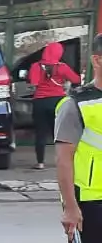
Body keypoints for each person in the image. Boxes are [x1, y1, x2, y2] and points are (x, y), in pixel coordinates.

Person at [54, 32, 102, 243]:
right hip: (86, 198)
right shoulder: (76, 103)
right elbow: (63, 158)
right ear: (98, 59)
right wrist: (70, 206)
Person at [30, 42, 81, 171]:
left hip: (40, 102)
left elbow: (33, 83)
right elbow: (76, 80)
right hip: (58, 102)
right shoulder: (62, 67)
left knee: (40, 133)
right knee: (59, 133)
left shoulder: (36, 66)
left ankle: (40, 163)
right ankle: (62, 160)